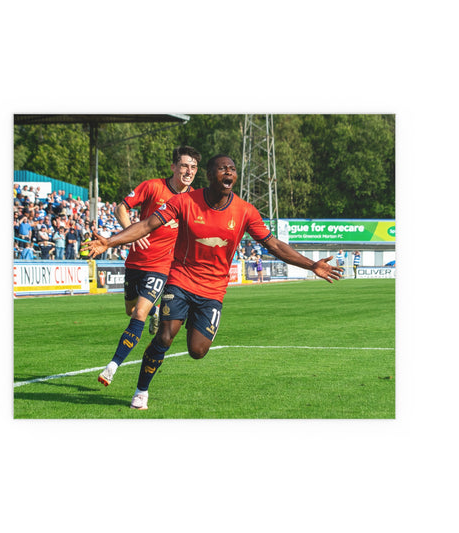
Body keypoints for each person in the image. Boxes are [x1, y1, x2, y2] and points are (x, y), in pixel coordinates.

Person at [84, 154, 343, 410]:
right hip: (180, 281)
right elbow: (148, 224)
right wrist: (110, 241)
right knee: (164, 337)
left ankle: (185, 323)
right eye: (222, 168)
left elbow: (273, 245)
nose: (228, 172)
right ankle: (141, 391)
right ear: (210, 175)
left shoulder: (245, 211)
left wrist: (312, 265)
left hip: (213, 291)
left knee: (197, 351)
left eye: (232, 168)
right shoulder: (184, 201)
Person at [92, 145, 201, 388]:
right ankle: (155, 311)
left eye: (193, 167)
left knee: (138, 313)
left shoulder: (193, 199)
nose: (188, 171)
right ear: (173, 167)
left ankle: (112, 366)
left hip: (162, 266)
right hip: (135, 261)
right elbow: (121, 207)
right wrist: (132, 228)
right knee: (132, 312)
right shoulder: (152, 187)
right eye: (184, 166)